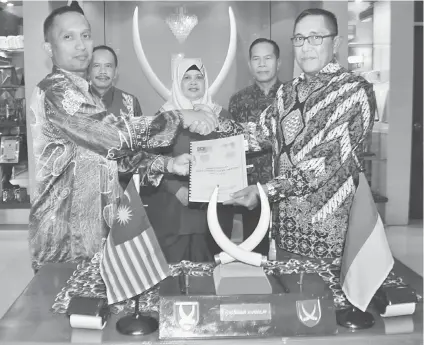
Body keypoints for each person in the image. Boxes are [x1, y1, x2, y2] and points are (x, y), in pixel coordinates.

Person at [28, 6, 218, 273]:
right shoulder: (55, 91)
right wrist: (178, 116)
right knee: (66, 311)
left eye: (85, 35)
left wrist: (168, 165)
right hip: (63, 236)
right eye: (68, 37)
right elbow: (112, 134)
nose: (81, 45)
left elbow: (117, 158)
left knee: (97, 310)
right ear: (49, 47)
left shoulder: (88, 96)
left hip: (95, 231)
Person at [224, 8, 376, 261]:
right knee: (288, 296)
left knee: (327, 301)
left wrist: (265, 192)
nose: (306, 47)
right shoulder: (288, 92)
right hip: (284, 229)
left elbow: (323, 162)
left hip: (331, 236)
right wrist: (208, 125)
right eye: (299, 39)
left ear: (335, 42)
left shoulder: (354, 91)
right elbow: (257, 134)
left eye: (316, 38)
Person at [141, 57, 236, 263]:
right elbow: (150, 159)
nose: (193, 82)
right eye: (187, 77)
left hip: (213, 208)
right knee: (174, 272)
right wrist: (177, 190)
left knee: (209, 269)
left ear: (206, 81)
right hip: (173, 207)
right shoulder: (165, 117)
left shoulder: (222, 117)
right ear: (177, 82)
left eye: (198, 77)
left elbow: (233, 159)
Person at [228, 38, 282, 256]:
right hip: (252, 192)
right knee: (254, 253)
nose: (262, 64)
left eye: (267, 58)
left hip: (286, 189)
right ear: (250, 65)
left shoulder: (292, 95)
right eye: (256, 59)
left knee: (285, 255)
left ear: (278, 63)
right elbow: (231, 147)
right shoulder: (238, 101)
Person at [88, 44, 143, 188]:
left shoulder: (130, 102)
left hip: (122, 188)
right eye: (96, 66)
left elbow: (140, 149)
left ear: (115, 72)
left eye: (108, 66)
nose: (102, 71)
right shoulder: (75, 103)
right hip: (86, 190)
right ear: (88, 70)